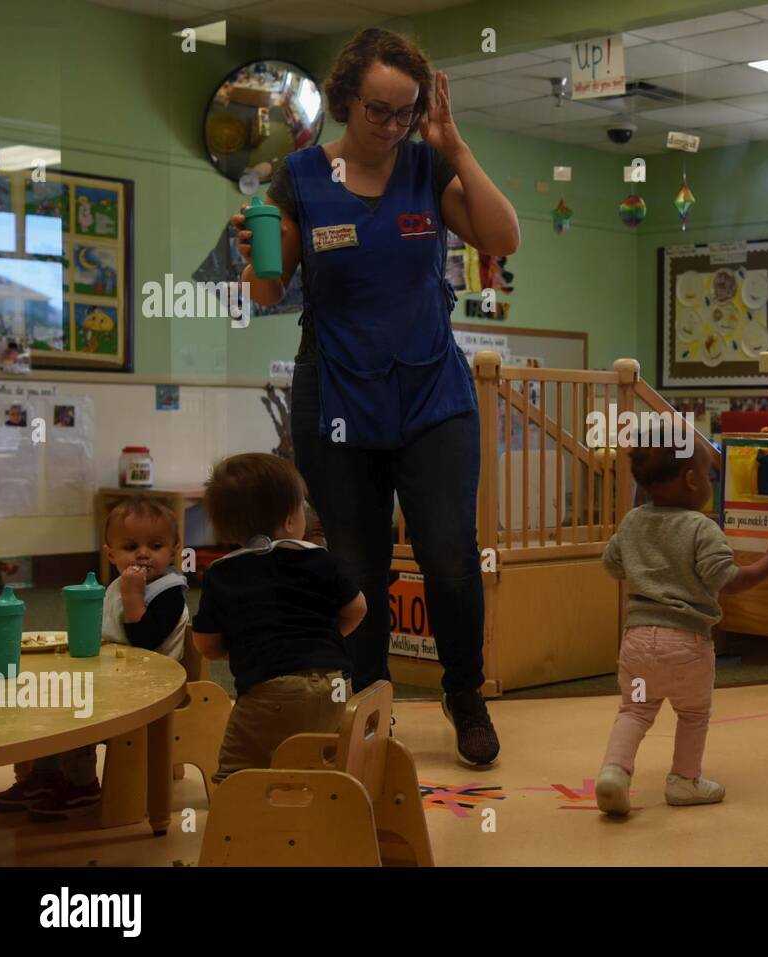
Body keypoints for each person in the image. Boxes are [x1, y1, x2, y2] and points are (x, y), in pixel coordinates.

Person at [229, 27, 518, 767]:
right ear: (345, 100)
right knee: (357, 565)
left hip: (432, 394)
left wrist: (455, 147)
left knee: (450, 555)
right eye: (377, 111)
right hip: (337, 394)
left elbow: (503, 237)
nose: (391, 127)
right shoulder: (300, 176)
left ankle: (464, 695)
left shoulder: (427, 167)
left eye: (406, 112)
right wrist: (248, 255)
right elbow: (268, 288)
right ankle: (371, 700)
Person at [594, 437, 768, 817]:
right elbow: (726, 580)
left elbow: (612, 564)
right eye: (708, 474)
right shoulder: (701, 528)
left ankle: (615, 772)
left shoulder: (632, 522)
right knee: (693, 714)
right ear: (691, 480)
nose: (709, 482)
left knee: (634, 710)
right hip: (686, 643)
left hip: (636, 640)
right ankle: (683, 779)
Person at [0, 497, 189, 820]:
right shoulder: (117, 586)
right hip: (117, 676)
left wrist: (133, 596)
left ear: (174, 549)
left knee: (77, 706)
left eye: (155, 545)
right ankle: (45, 773)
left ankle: (82, 782)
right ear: (110, 553)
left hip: (150, 688)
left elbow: (144, 639)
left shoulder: (168, 592)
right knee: (53, 695)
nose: (142, 554)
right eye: (130, 546)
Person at [191, 453, 366, 781]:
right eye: (303, 506)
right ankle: (322, 815)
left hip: (269, 691)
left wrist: (249, 644)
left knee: (238, 774)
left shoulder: (222, 572)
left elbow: (207, 646)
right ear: (289, 520)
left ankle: (244, 828)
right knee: (322, 762)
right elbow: (358, 609)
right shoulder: (320, 559)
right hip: (335, 684)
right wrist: (323, 639)